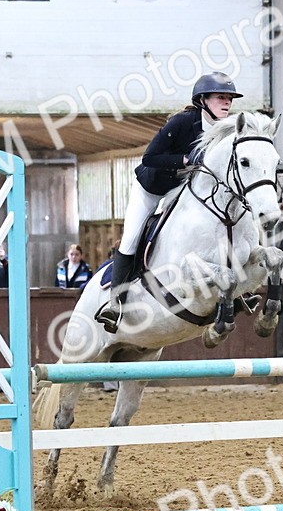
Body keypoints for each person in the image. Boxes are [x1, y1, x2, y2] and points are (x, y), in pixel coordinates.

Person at [96, 71, 242, 331]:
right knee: (131, 237)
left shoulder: (225, 129)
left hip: (184, 190)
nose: (227, 103)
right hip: (152, 189)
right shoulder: (182, 122)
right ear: (202, 100)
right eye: (221, 97)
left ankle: (233, 290)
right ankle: (115, 302)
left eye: (230, 98)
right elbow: (149, 157)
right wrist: (185, 160)